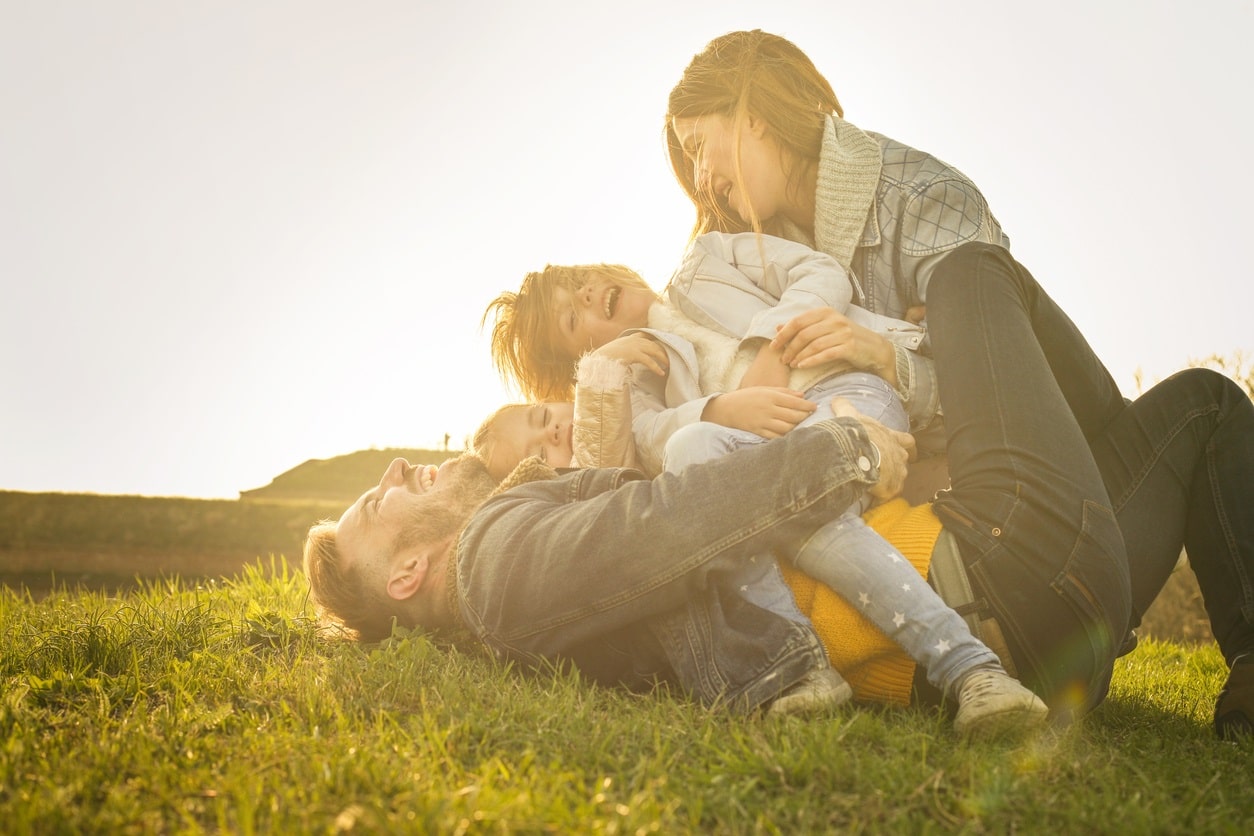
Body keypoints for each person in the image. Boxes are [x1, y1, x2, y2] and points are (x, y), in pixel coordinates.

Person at [659, 29, 1254, 737]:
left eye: (700, 145)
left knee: (1205, 401)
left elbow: (1008, 378)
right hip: (969, 530)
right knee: (975, 286)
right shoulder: (745, 264)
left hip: (1043, 490)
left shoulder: (919, 195)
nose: (700, 179)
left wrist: (890, 357)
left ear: (753, 112)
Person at [469, 389, 1049, 735]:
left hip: (764, 461)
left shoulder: (624, 405)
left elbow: (635, 415)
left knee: (698, 452)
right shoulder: (579, 502)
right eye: (542, 449)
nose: (557, 431)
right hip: (733, 509)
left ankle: (956, 668)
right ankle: (965, 670)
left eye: (545, 414)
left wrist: (641, 372)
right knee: (763, 506)